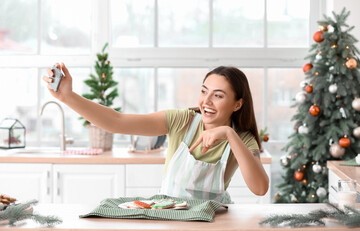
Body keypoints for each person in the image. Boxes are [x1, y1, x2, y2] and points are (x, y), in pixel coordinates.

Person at [43, 63, 269, 204]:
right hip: (166, 215)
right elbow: (116, 121)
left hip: (211, 224)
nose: (206, 101)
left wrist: (229, 134)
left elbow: (260, 189)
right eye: (203, 91)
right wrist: (67, 97)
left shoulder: (242, 139)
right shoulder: (182, 121)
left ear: (237, 104)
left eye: (218, 95)